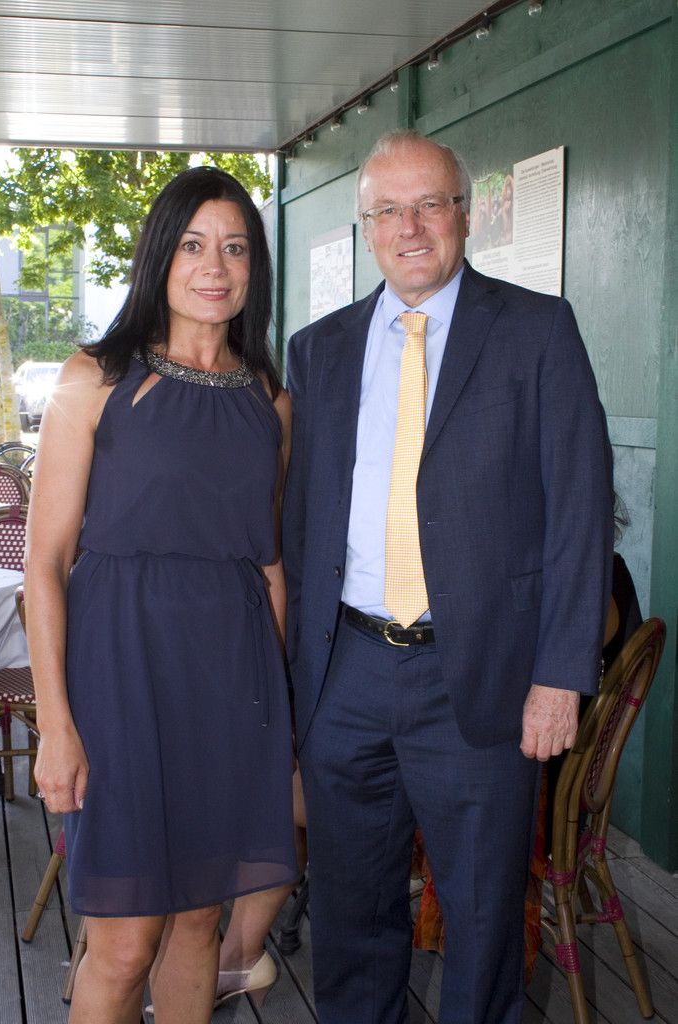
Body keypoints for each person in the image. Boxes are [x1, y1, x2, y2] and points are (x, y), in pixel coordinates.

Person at [282, 130, 614, 1024]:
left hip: (483, 679)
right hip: (344, 676)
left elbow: (579, 511)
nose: (410, 227)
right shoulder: (317, 351)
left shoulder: (537, 330)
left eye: (429, 204)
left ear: (463, 215)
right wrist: (295, 685)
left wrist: (559, 676)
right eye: (387, 211)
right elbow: (300, 524)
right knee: (350, 918)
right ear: (366, 229)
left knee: (480, 920)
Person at [25, 166, 299, 1024]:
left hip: (234, 689)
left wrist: (279, 719)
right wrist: (57, 726)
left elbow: (267, 566)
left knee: (198, 925)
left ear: (254, 268)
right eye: (191, 245)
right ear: (158, 256)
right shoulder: (95, 379)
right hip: (121, 678)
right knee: (121, 945)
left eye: (234, 248)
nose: (214, 266)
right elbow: (44, 562)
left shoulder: (268, 400)